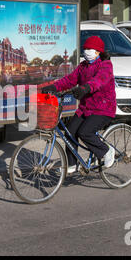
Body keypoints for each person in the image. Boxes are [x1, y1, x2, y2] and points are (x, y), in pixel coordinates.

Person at [41, 36, 117, 174]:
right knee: (69, 131)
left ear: (98, 51)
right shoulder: (83, 66)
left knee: (85, 132)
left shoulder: (105, 65)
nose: (87, 51)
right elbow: (70, 80)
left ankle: (106, 150)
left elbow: (99, 80)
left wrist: (85, 88)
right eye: (85, 48)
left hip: (103, 108)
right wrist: (53, 87)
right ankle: (71, 164)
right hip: (85, 108)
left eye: (90, 49)